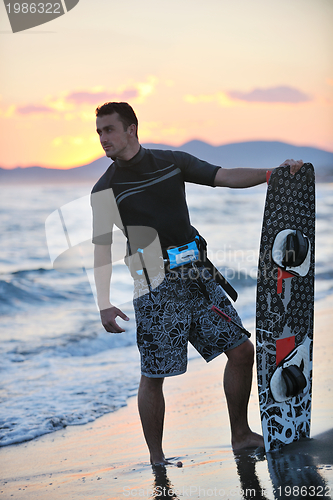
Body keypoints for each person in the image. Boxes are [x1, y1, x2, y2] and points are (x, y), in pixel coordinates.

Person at [91, 101, 303, 465]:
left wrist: (272, 174)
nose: (102, 138)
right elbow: (101, 247)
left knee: (241, 351)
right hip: (153, 286)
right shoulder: (105, 188)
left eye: (108, 129)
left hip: (197, 278)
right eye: (98, 132)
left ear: (131, 129)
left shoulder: (171, 161)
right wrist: (104, 302)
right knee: (154, 375)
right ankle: (157, 458)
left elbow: (223, 176)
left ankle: (240, 435)